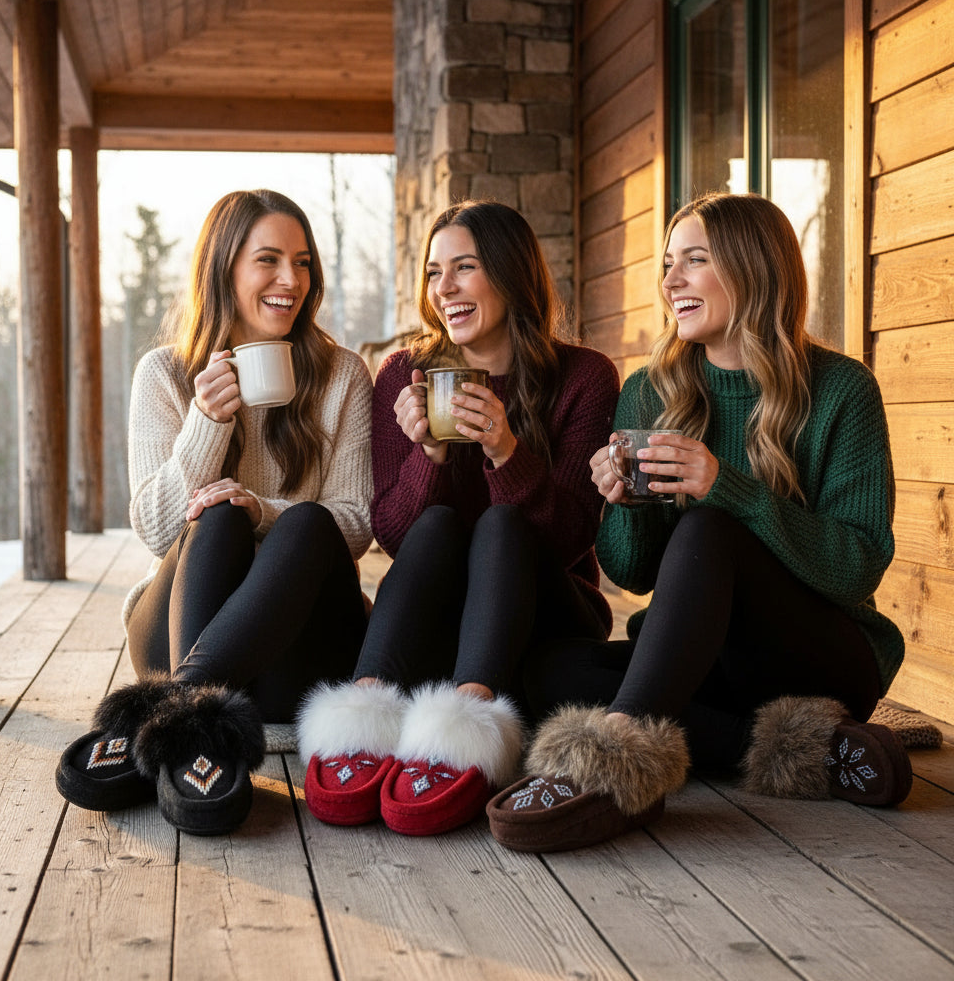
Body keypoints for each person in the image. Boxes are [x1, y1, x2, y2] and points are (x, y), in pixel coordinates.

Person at [486, 192, 911, 854]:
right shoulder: (651, 391)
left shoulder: (840, 389)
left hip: (821, 655)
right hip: (714, 664)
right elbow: (631, 570)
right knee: (550, 672)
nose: (670, 280)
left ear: (753, 269)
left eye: (694, 260)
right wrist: (626, 505)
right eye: (666, 264)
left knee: (710, 530)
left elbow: (857, 565)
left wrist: (730, 489)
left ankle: (616, 764)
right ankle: (805, 752)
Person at [297, 199, 620, 835]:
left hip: (549, 615)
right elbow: (394, 534)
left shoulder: (583, 376)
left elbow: (572, 535)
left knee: (500, 526)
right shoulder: (405, 373)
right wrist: (430, 459)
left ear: (509, 273)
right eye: (433, 272)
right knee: (440, 524)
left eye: (464, 267)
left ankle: (469, 725)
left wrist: (506, 452)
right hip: (443, 624)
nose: (444, 288)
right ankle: (364, 711)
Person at [56, 189, 373, 835]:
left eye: (304, 262)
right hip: (178, 632)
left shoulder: (342, 376)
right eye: (269, 260)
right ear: (224, 267)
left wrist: (261, 507)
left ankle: (166, 714)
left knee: (304, 520)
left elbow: (356, 524)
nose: (292, 280)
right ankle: (193, 711)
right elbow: (153, 530)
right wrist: (206, 424)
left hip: (293, 650)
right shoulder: (165, 374)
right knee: (216, 517)